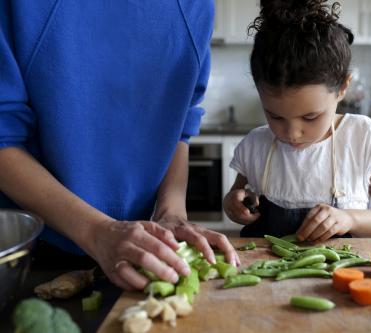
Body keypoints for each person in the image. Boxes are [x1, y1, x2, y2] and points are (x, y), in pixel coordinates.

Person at [0, 0, 239, 291]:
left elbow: (180, 121)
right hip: (34, 252)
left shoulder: (197, 7)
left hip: (138, 250)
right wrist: (97, 231)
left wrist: (171, 213)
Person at [223, 0, 371, 241]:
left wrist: (350, 218)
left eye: (310, 116)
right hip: (265, 275)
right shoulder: (255, 145)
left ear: (343, 88)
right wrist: (234, 204)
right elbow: (236, 197)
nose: (292, 133)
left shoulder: (361, 137)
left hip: (343, 275)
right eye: (275, 115)